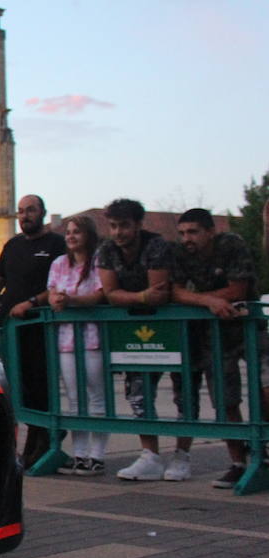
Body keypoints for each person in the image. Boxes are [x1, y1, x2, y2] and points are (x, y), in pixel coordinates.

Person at [0, 195, 68, 466]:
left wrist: (32, 302)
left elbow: (60, 283)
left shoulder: (57, 244)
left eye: (30, 210)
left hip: (39, 327)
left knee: (39, 385)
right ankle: (33, 437)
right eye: (21, 211)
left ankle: (42, 438)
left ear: (43, 213)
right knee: (18, 386)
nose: (25, 216)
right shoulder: (12, 245)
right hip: (11, 328)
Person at [171, 208, 257, 487]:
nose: (187, 238)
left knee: (266, 389)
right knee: (225, 400)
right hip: (215, 332)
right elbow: (175, 291)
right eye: (182, 233)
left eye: (193, 231)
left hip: (248, 326)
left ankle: (263, 449)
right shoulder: (182, 254)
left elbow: (237, 290)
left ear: (210, 231)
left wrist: (196, 298)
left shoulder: (231, 244)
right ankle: (238, 462)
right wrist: (207, 302)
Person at [95, 199, 178, 482]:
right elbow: (109, 292)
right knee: (138, 393)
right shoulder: (106, 249)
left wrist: (131, 296)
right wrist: (141, 297)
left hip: (173, 329)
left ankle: (182, 455)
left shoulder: (156, 246)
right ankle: (150, 455)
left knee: (184, 392)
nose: (119, 232)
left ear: (138, 224)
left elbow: (161, 291)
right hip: (132, 333)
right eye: (114, 226)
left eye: (125, 225)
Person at [47, 215, 108, 474]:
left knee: (96, 395)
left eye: (77, 232)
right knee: (74, 397)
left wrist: (71, 300)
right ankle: (80, 452)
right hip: (66, 340)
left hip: (92, 337)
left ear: (88, 235)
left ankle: (97, 454)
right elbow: (51, 292)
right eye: (68, 232)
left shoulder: (99, 262)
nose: (71, 236)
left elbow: (99, 294)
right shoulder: (60, 263)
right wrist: (57, 300)